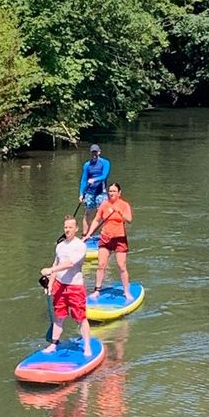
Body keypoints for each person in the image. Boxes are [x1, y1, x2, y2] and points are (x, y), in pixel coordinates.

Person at [40, 215, 92, 357]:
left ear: (76, 229)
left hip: (75, 287)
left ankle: (87, 346)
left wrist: (50, 271)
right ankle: (54, 344)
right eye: (65, 227)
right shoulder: (60, 246)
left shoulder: (80, 246)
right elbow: (56, 264)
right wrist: (50, 284)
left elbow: (69, 264)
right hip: (60, 286)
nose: (67, 230)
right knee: (59, 316)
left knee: (80, 318)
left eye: (70, 227)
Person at [84, 182, 133, 301]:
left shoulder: (124, 205)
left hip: (119, 238)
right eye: (110, 191)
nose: (111, 193)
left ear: (119, 193)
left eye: (114, 191)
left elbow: (130, 220)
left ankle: (126, 292)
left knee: (122, 266)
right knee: (101, 265)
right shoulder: (104, 205)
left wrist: (120, 212)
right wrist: (89, 234)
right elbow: (96, 220)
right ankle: (97, 290)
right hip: (105, 237)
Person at [79, 143, 111, 235]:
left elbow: (104, 176)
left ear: (99, 152)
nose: (94, 154)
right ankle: (85, 234)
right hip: (89, 192)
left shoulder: (105, 163)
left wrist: (94, 179)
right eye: (92, 152)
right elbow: (84, 180)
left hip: (101, 192)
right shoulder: (87, 165)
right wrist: (81, 193)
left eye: (95, 152)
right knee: (87, 214)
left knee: (101, 214)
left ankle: (103, 234)